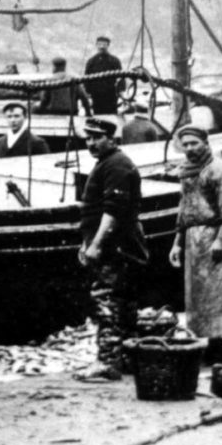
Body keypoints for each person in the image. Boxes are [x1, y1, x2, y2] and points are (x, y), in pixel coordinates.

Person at [168, 125, 222, 361]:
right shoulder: (187, 171)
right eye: (186, 144)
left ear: (205, 142)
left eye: (194, 143)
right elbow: (184, 207)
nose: (190, 148)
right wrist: (177, 242)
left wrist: (221, 239)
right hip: (194, 239)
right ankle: (215, 345)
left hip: (216, 235)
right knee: (202, 296)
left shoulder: (220, 170)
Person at [78, 118, 147, 367]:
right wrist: (87, 242)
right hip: (121, 244)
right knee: (124, 303)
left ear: (111, 138)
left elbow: (113, 211)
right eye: (88, 138)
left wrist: (96, 244)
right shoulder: (109, 163)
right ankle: (126, 358)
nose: (91, 143)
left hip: (115, 247)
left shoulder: (116, 166)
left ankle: (108, 362)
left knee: (107, 302)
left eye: (97, 138)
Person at [84, 36, 123, 115]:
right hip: (96, 95)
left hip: (111, 95)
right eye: (99, 44)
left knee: (112, 115)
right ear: (96, 45)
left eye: (104, 44)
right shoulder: (91, 61)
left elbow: (121, 78)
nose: (102, 47)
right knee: (97, 115)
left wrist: (121, 92)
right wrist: (87, 93)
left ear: (108, 45)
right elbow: (86, 79)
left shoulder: (115, 61)